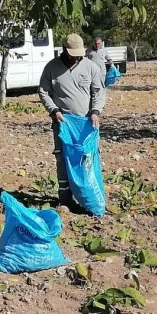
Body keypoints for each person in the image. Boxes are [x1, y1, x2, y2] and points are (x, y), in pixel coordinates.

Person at [38, 34, 106, 209]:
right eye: (72, 53)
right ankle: (65, 198)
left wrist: (95, 112)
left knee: (87, 158)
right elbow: (43, 92)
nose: (76, 56)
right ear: (64, 50)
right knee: (62, 158)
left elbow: (98, 91)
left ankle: (87, 196)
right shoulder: (51, 68)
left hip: (86, 123)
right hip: (62, 123)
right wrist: (54, 110)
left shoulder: (90, 67)